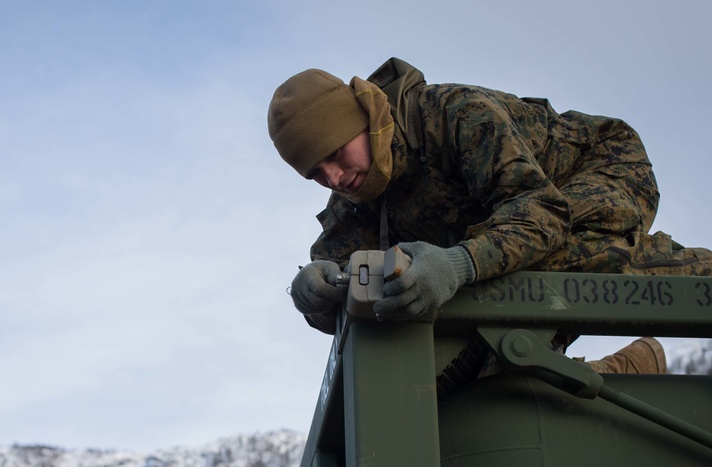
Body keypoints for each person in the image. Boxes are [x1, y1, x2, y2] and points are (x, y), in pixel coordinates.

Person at [267, 58, 712, 344]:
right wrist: (316, 293)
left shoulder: (455, 114)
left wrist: (459, 264)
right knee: (432, 315)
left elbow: (542, 215)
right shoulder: (356, 190)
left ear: (361, 122)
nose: (335, 178)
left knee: (516, 279)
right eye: (316, 174)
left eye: (335, 155)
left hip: (599, 174)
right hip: (512, 220)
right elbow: (356, 287)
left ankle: (692, 271)